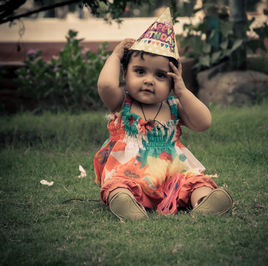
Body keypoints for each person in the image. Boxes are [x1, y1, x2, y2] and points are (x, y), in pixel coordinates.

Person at [93, 8, 232, 221]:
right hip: (131, 173)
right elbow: (105, 85)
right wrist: (116, 54)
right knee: (118, 185)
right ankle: (125, 202)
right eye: (140, 71)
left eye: (160, 75)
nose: (149, 80)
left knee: (193, 182)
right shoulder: (123, 103)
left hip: (172, 175)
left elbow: (204, 122)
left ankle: (205, 201)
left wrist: (183, 91)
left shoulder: (174, 107)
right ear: (125, 74)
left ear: (171, 81)